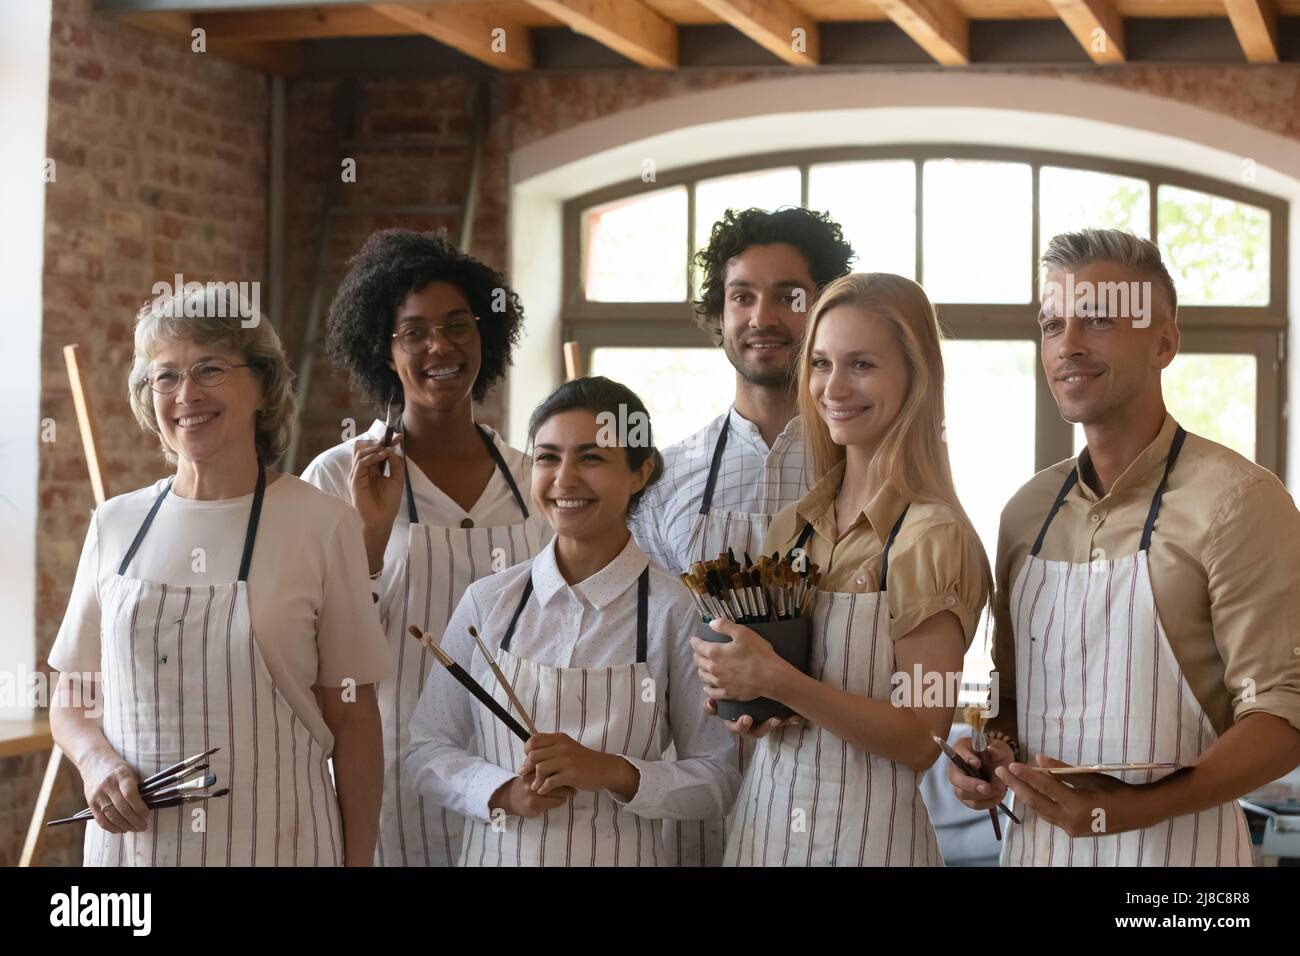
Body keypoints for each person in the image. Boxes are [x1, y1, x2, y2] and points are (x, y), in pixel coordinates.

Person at [948, 228, 1300, 865]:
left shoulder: (1240, 501)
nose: (1067, 346)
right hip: (1036, 854)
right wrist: (988, 756)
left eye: (1098, 321)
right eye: (1052, 325)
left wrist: (1126, 811)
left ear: (1164, 341)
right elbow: (1010, 698)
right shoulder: (1024, 512)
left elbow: (1284, 716)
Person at [49, 286, 389, 866]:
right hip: (134, 857)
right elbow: (72, 696)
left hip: (281, 844)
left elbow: (355, 721)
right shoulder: (116, 523)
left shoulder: (321, 524)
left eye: (210, 369)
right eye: (166, 376)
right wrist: (95, 760)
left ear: (261, 385)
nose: (186, 395)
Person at [691, 273, 990, 866]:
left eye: (861, 365)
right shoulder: (793, 527)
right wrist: (749, 701)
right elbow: (801, 700)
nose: (833, 387)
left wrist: (777, 679)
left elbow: (921, 737)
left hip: (869, 842)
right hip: (764, 832)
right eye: (822, 364)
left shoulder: (930, 536)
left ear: (915, 376)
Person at [405, 377, 740, 866]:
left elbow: (719, 779)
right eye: (547, 457)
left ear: (640, 472)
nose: (564, 479)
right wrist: (503, 793)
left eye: (591, 458)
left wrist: (609, 771)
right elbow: (426, 748)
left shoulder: (678, 612)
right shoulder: (488, 602)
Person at [302, 229, 551, 866]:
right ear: (385, 352)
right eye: (414, 332)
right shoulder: (335, 479)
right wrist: (372, 536)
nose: (439, 346)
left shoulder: (535, 480)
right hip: (388, 774)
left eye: (457, 325)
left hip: (517, 776)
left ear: (483, 337)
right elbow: (311, 643)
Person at [629, 206, 854, 864]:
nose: (762, 318)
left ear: (823, 311)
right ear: (719, 314)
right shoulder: (666, 481)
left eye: (789, 295)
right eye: (741, 297)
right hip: (698, 807)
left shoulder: (864, 467)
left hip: (839, 796)